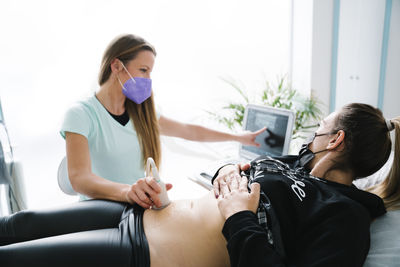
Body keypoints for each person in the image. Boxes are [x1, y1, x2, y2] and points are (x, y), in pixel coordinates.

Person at [1, 103, 399, 266]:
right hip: (143, 211)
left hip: (143, 251)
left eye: (321, 128)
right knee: (20, 223)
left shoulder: (345, 216)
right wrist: (225, 169)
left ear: (336, 140)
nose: (313, 133)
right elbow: (240, 173)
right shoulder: (293, 163)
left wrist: (240, 219)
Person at [61, 34, 265, 207]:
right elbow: (80, 179)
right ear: (116, 66)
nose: (148, 79)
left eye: (150, 71)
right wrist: (128, 192)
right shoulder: (81, 114)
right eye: (143, 70)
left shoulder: (142, 115)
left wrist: (239, 137)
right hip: (99, 212)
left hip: (135, 208)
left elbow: (190, 131)